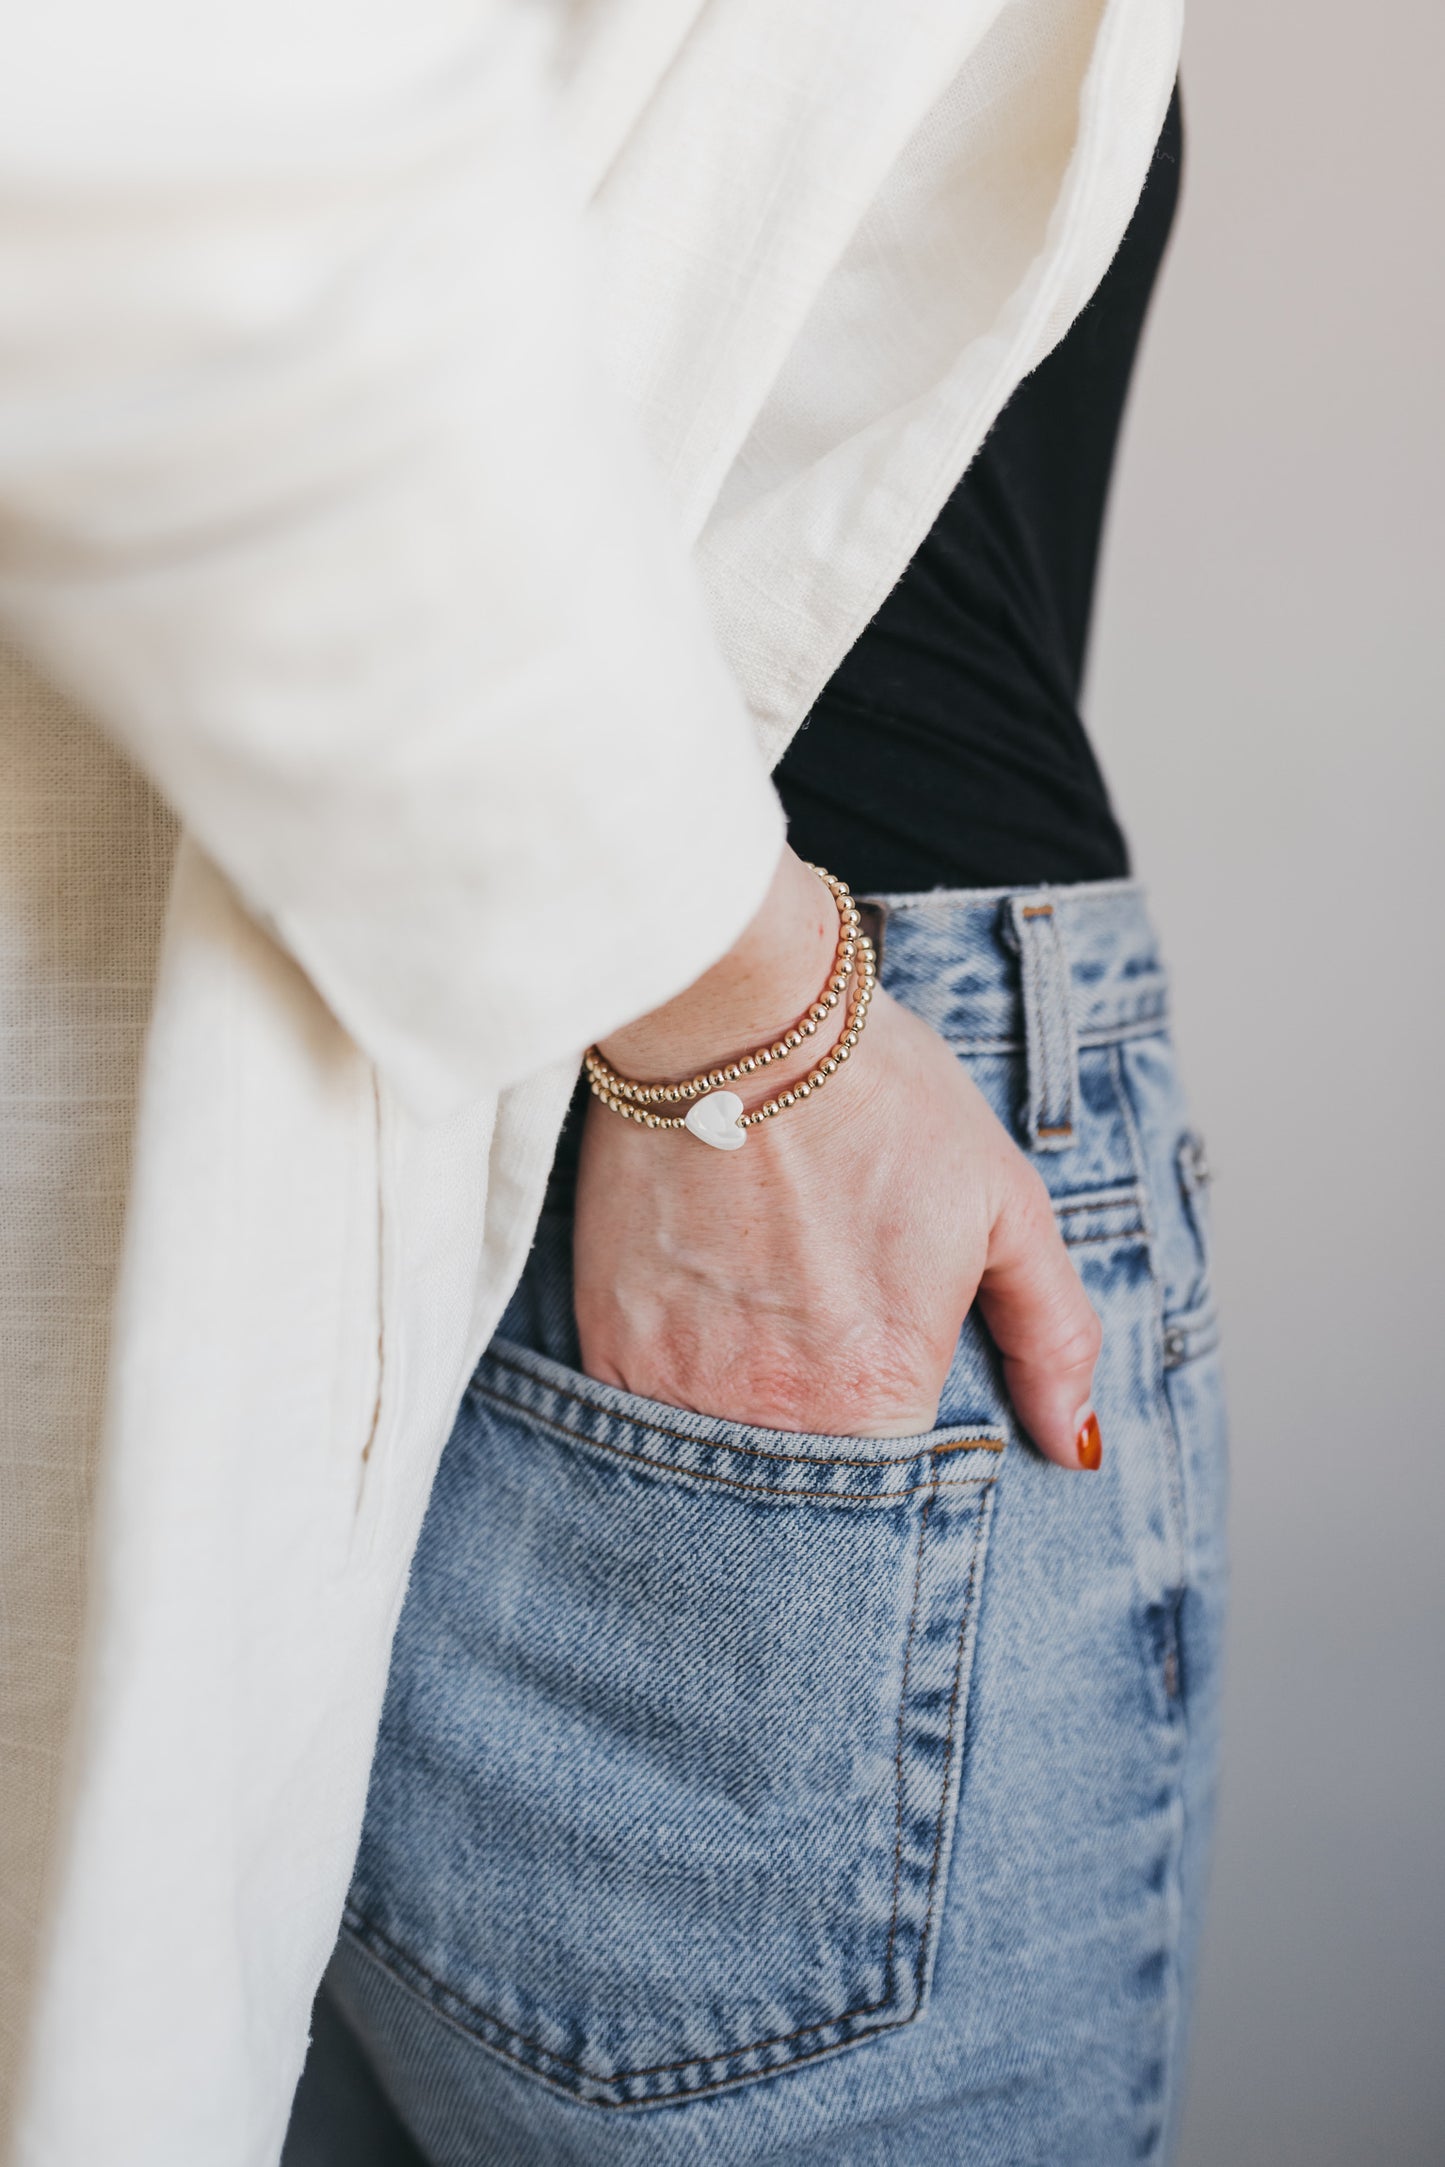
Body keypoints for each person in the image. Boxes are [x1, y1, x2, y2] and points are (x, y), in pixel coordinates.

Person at [0, 5, 1200, 2161]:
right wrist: (739, 1015)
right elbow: (135, 166)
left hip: (488, 1079)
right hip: (729, 1144)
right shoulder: (730, 1023)